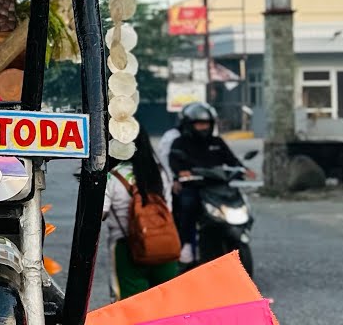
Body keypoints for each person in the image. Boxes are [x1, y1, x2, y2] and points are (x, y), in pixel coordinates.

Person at [168, 102, 255, 263]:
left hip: (217, 187)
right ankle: (186, 244)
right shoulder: (180, 143)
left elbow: (232, 160)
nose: (203, 127)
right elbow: (175, 162)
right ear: (188, 125)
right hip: (193, 187)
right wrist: (181, 173)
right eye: (199, 124)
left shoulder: (217, 142)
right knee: (188, 205)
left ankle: (240, 233)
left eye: (206, 124)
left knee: (240, 203)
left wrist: (243, 169)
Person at [103, 128, 178, 301]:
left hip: (126, 247)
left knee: (130, 306)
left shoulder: (112, 176)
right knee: (166, 303)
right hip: (163, 243)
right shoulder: (160, 172)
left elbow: (101, 213)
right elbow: (169, 209)